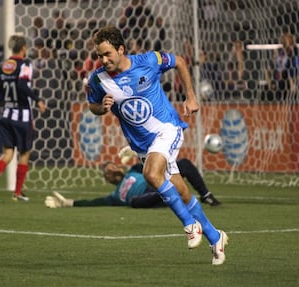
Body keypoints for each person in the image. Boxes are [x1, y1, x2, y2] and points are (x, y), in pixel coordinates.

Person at [86, 26, 228, 265]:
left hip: (167, 128)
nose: (103, 60)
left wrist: (191, 96)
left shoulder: (149, 60)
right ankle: (215, 237)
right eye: (99, 55)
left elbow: (180, 62)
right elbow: (92, 105)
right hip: (142, 145)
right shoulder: (98, 79)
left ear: (121, 49)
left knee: (151, 174)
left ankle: (190, 226)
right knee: (181, 192)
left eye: (108, 54)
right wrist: (103, 107)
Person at [0, 35, 46, 202]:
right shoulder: (25, 64)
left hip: (5, 113)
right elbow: (21, 85)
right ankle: (17, 193)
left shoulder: (2, 65)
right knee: (25, 152)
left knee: (7, 154)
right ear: (24, 48)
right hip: (22, 115)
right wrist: (37, 99)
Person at [45, 156, 220, 208]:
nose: (113, 170)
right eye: (108, 171)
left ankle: (205, 194)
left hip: (152, 184)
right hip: (144, 199)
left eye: (113, 166)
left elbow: (149, 162)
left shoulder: (132, 171)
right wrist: (68, 203)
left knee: (183, 163)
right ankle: (169, 193)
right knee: (134, 202)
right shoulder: (113, 196)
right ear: (108, 179)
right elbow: (93, 202)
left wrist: (130, 155)